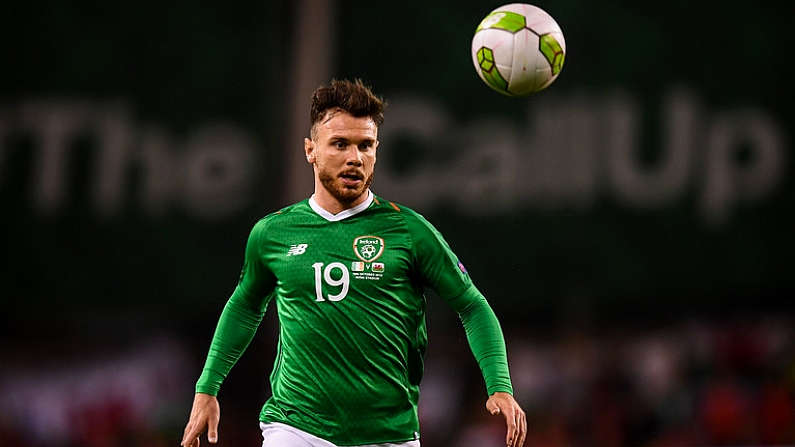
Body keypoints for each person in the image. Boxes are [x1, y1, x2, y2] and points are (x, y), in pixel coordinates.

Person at [181, 78, 527, 447]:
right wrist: (208, 387)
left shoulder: (408, 231)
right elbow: (246, 305)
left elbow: (472, 305)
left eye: (366, 146)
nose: (354, 158)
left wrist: (499, 385)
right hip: (296, 427)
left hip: (389, 434)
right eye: (340, 144)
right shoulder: (272, 233)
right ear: (310, 150)